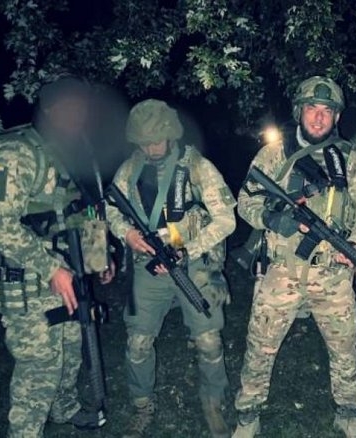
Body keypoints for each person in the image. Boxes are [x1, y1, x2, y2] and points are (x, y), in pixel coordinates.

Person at [233, 76, 356, 438]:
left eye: (327, 110)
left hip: (333, 274)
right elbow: (245, 201)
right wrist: (273, 219)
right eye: (312, 108)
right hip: (282, 271)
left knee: (345, 349)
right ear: (300, 111)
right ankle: (248, 414)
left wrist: (355, 244)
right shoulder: (274, 154)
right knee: (260, 346)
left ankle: (347, 412)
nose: (319, 117)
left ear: (337, 117)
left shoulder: (349, 159)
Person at [0, 76, 114, 437]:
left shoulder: (68, 152)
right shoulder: (16, 153)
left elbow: (80, 210)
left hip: (65, 273)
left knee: (71, 347)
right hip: (26, 278)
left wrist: (99, 257)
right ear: (49, 110)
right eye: (71, 110)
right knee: (40, 366)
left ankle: (65, 409)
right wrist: (51, 269)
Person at [105, 99, 236, 438]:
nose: (151, 148)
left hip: (192, 264)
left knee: (208, 341)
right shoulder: (129, 170)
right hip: (147, 267)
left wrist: (189, 249)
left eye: (156, 141)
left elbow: (226, 220)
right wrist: (126, 234)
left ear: (170, 134)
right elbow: (111, 209)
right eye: (144, 142)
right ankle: (142, 405)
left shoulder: (196, 167)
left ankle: (213, 402)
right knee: (138, 343)